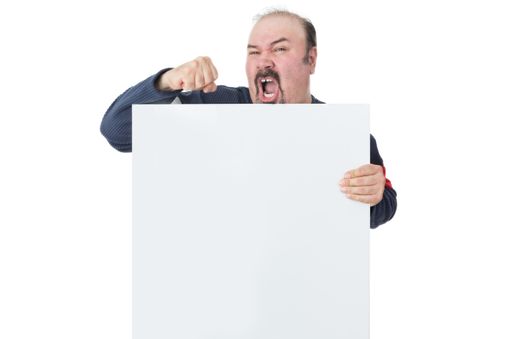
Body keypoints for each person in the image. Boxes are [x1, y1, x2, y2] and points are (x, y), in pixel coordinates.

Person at [100, 9, 397, 228]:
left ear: (311, 59)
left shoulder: (343, 133)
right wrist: (167, 81)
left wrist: (373, 196)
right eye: (254, 52)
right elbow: (117, 131)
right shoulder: (213, 108)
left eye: (279, 49)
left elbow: (384, 204)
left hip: (306, 299)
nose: (263, 60)